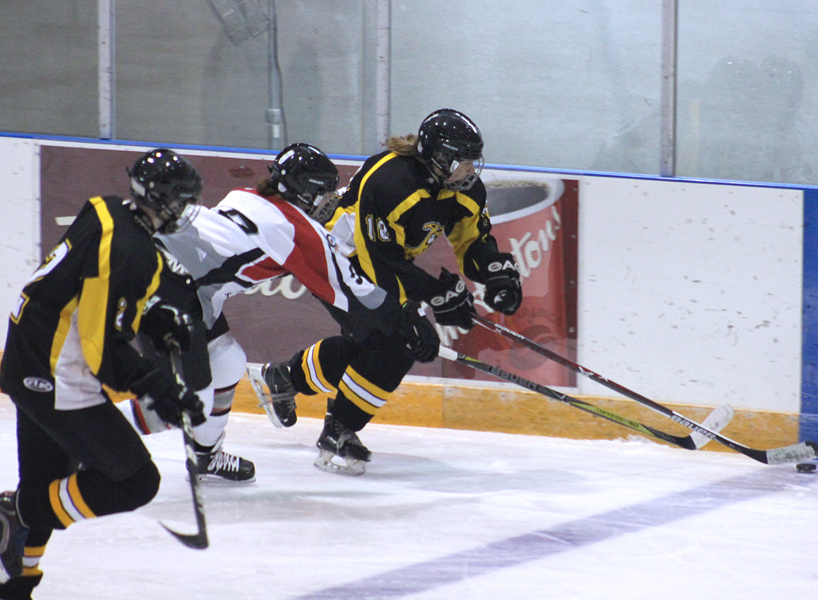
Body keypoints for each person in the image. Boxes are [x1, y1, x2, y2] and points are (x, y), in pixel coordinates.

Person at [121, 143, 440, 481]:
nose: (328, 202)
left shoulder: (248, 195)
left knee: (227, 361)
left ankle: (205, 455)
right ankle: (80, 432)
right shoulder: (292, 229)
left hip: (190, 290)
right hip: (162, 287)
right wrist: (405, 319)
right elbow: (351, 288)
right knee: (180, 403)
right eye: (324, 194)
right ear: (305, 192)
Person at [255, 109, 523, 476]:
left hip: (376, 262)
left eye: (473, 162)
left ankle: (285, 378)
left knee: (375, 348)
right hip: (335, 259)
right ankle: (339, 429)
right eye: (463, 162)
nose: (470, 171)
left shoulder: (465, 191)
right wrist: (433, 293)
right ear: (440, 158)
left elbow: (473, 241)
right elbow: (377, 262)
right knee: (399, 341)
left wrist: (496, 274)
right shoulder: (390, 181)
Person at [0, 149, 206, 599]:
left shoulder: (106, 210)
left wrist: (149, 314)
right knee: (134, 482)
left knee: (48, 483)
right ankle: (20, 512)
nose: (185, 212)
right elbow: (103, 352)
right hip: (55, 376)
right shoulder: (133, 252)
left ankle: (16, 586)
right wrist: (157, 385)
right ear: (167, 202)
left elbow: (92, 294)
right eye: (183, 202)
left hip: (26, 360)